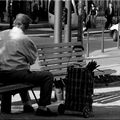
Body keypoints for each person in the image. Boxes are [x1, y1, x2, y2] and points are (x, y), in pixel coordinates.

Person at [0, 13, 56, 116]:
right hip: (17, 74)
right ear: (23, 25)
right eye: (27, 26)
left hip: (2, 74)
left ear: (14, 23)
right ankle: (42, 107)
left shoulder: (2, 34)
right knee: (47, 76)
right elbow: (32, 60)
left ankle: (22, 105)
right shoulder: (25, 39)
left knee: (22, 75)